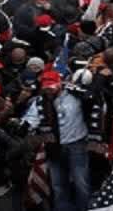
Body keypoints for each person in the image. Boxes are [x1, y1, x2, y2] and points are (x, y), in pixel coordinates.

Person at [22, 71, 90, 211]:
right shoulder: (40, 101)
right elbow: (30, 120)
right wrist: (23, 126)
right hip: (53, 146)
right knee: (58, 184)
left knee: (81, 183)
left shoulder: (75, 95)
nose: (49, 89)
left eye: (51, 86)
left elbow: (95, 103)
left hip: (76, 144)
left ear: (60, 83)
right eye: (46, 87)